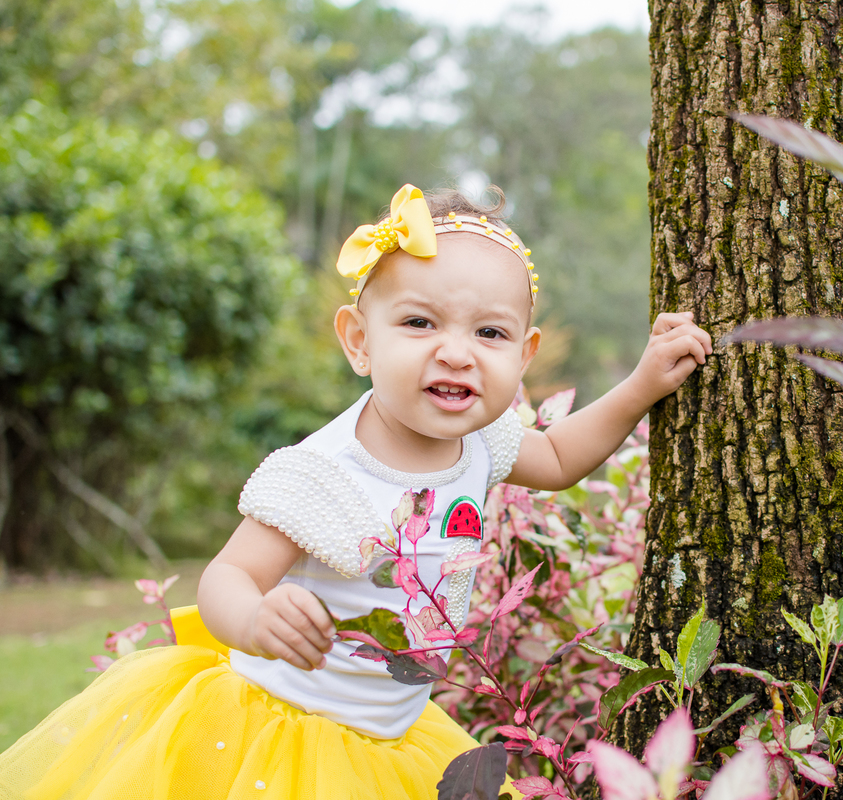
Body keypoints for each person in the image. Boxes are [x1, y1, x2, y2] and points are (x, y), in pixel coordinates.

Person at [0, 185, 712, 800]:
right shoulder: (325, 470)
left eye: (489, 332)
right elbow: (227, 575)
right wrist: (253, 618)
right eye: (418, 323)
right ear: (358, 341)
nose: (456, 351)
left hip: (396, 737)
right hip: (281, 733)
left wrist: (644, 384)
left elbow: (557, 455)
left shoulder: (484, 443)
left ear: (523, 355)